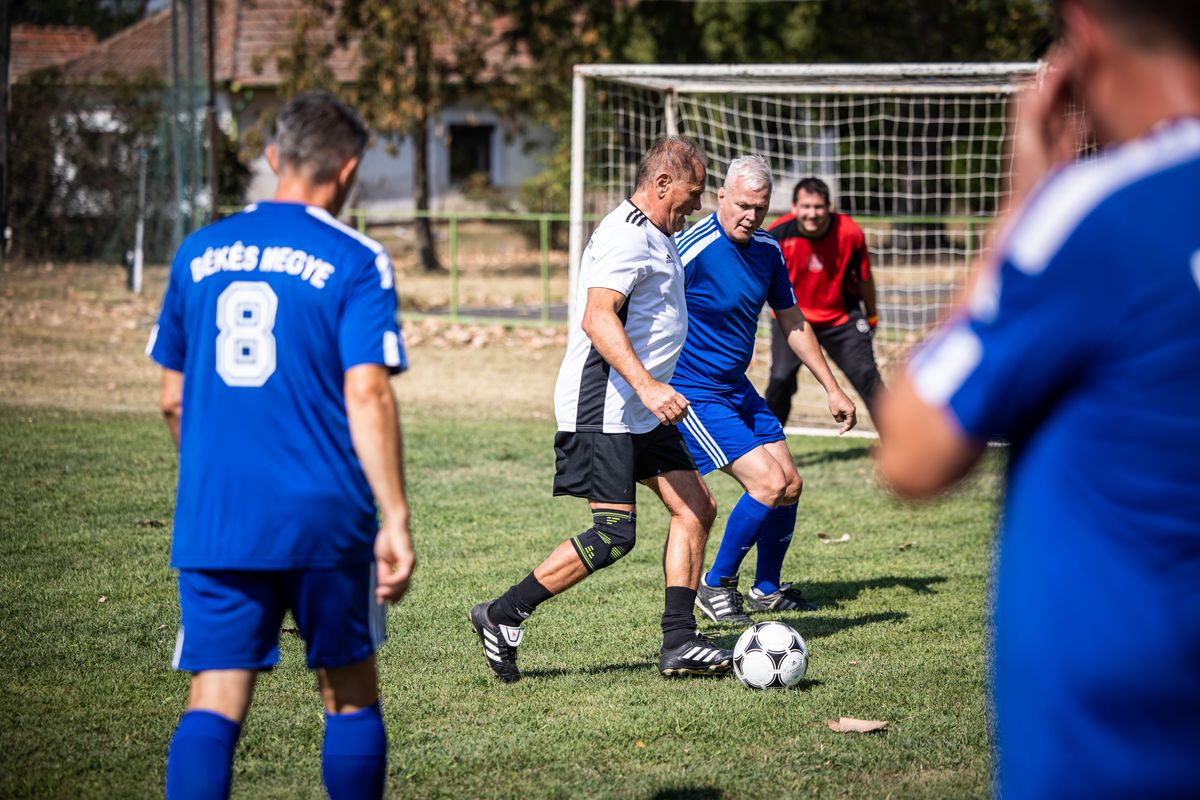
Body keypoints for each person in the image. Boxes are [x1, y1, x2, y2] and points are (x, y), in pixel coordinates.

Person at [875, 1, 1200, 796]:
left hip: (1120, 752)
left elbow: (912, 454)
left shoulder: (1101, 214)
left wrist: (1022, 211)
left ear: (1084, 35)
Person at [148, 91, 416, 800]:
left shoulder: (196, 252)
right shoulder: (357, 259)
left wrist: (220, 479)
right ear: (349, 169)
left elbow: (172, 397)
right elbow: (367, 392)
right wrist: (394, 516)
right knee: (349, 693)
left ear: (273, 158)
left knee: (215, 700)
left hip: (218, 515)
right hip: (325, 517)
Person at [470, 135, 732, 682]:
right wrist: (647, 386)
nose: (699, 203)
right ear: (662, 184)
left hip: (639, 407)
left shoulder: (658, 233)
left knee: (696, 509)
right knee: (615, 533)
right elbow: (598, 317)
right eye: (695, 191)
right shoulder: (625, 236)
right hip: (606, 404)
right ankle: (502, 614)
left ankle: (679, 642)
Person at [671, 156, 857, 624]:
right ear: (720, 199)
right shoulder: (688, 249)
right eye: (741, 206)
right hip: (694, 390)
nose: (750, 216)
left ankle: (767, 589)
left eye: (759, 207)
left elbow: (792, 320)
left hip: (737, 387)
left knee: (791, 484)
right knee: (768, 482)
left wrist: (832, 389)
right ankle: (714, 586)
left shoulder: (768, 249)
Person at [764, 178, 883, 426]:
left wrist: (871, 315)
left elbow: (864, 279)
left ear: (829, 206)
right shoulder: (775, 235)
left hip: (841, 318)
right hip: (791, 321)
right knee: (780, 379)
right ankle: (768, 446)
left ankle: (902, 448)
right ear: (794, 207)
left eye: (818, 207)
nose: (812, 214)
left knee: (867, 376)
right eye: (805, 206)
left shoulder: (849, 233)